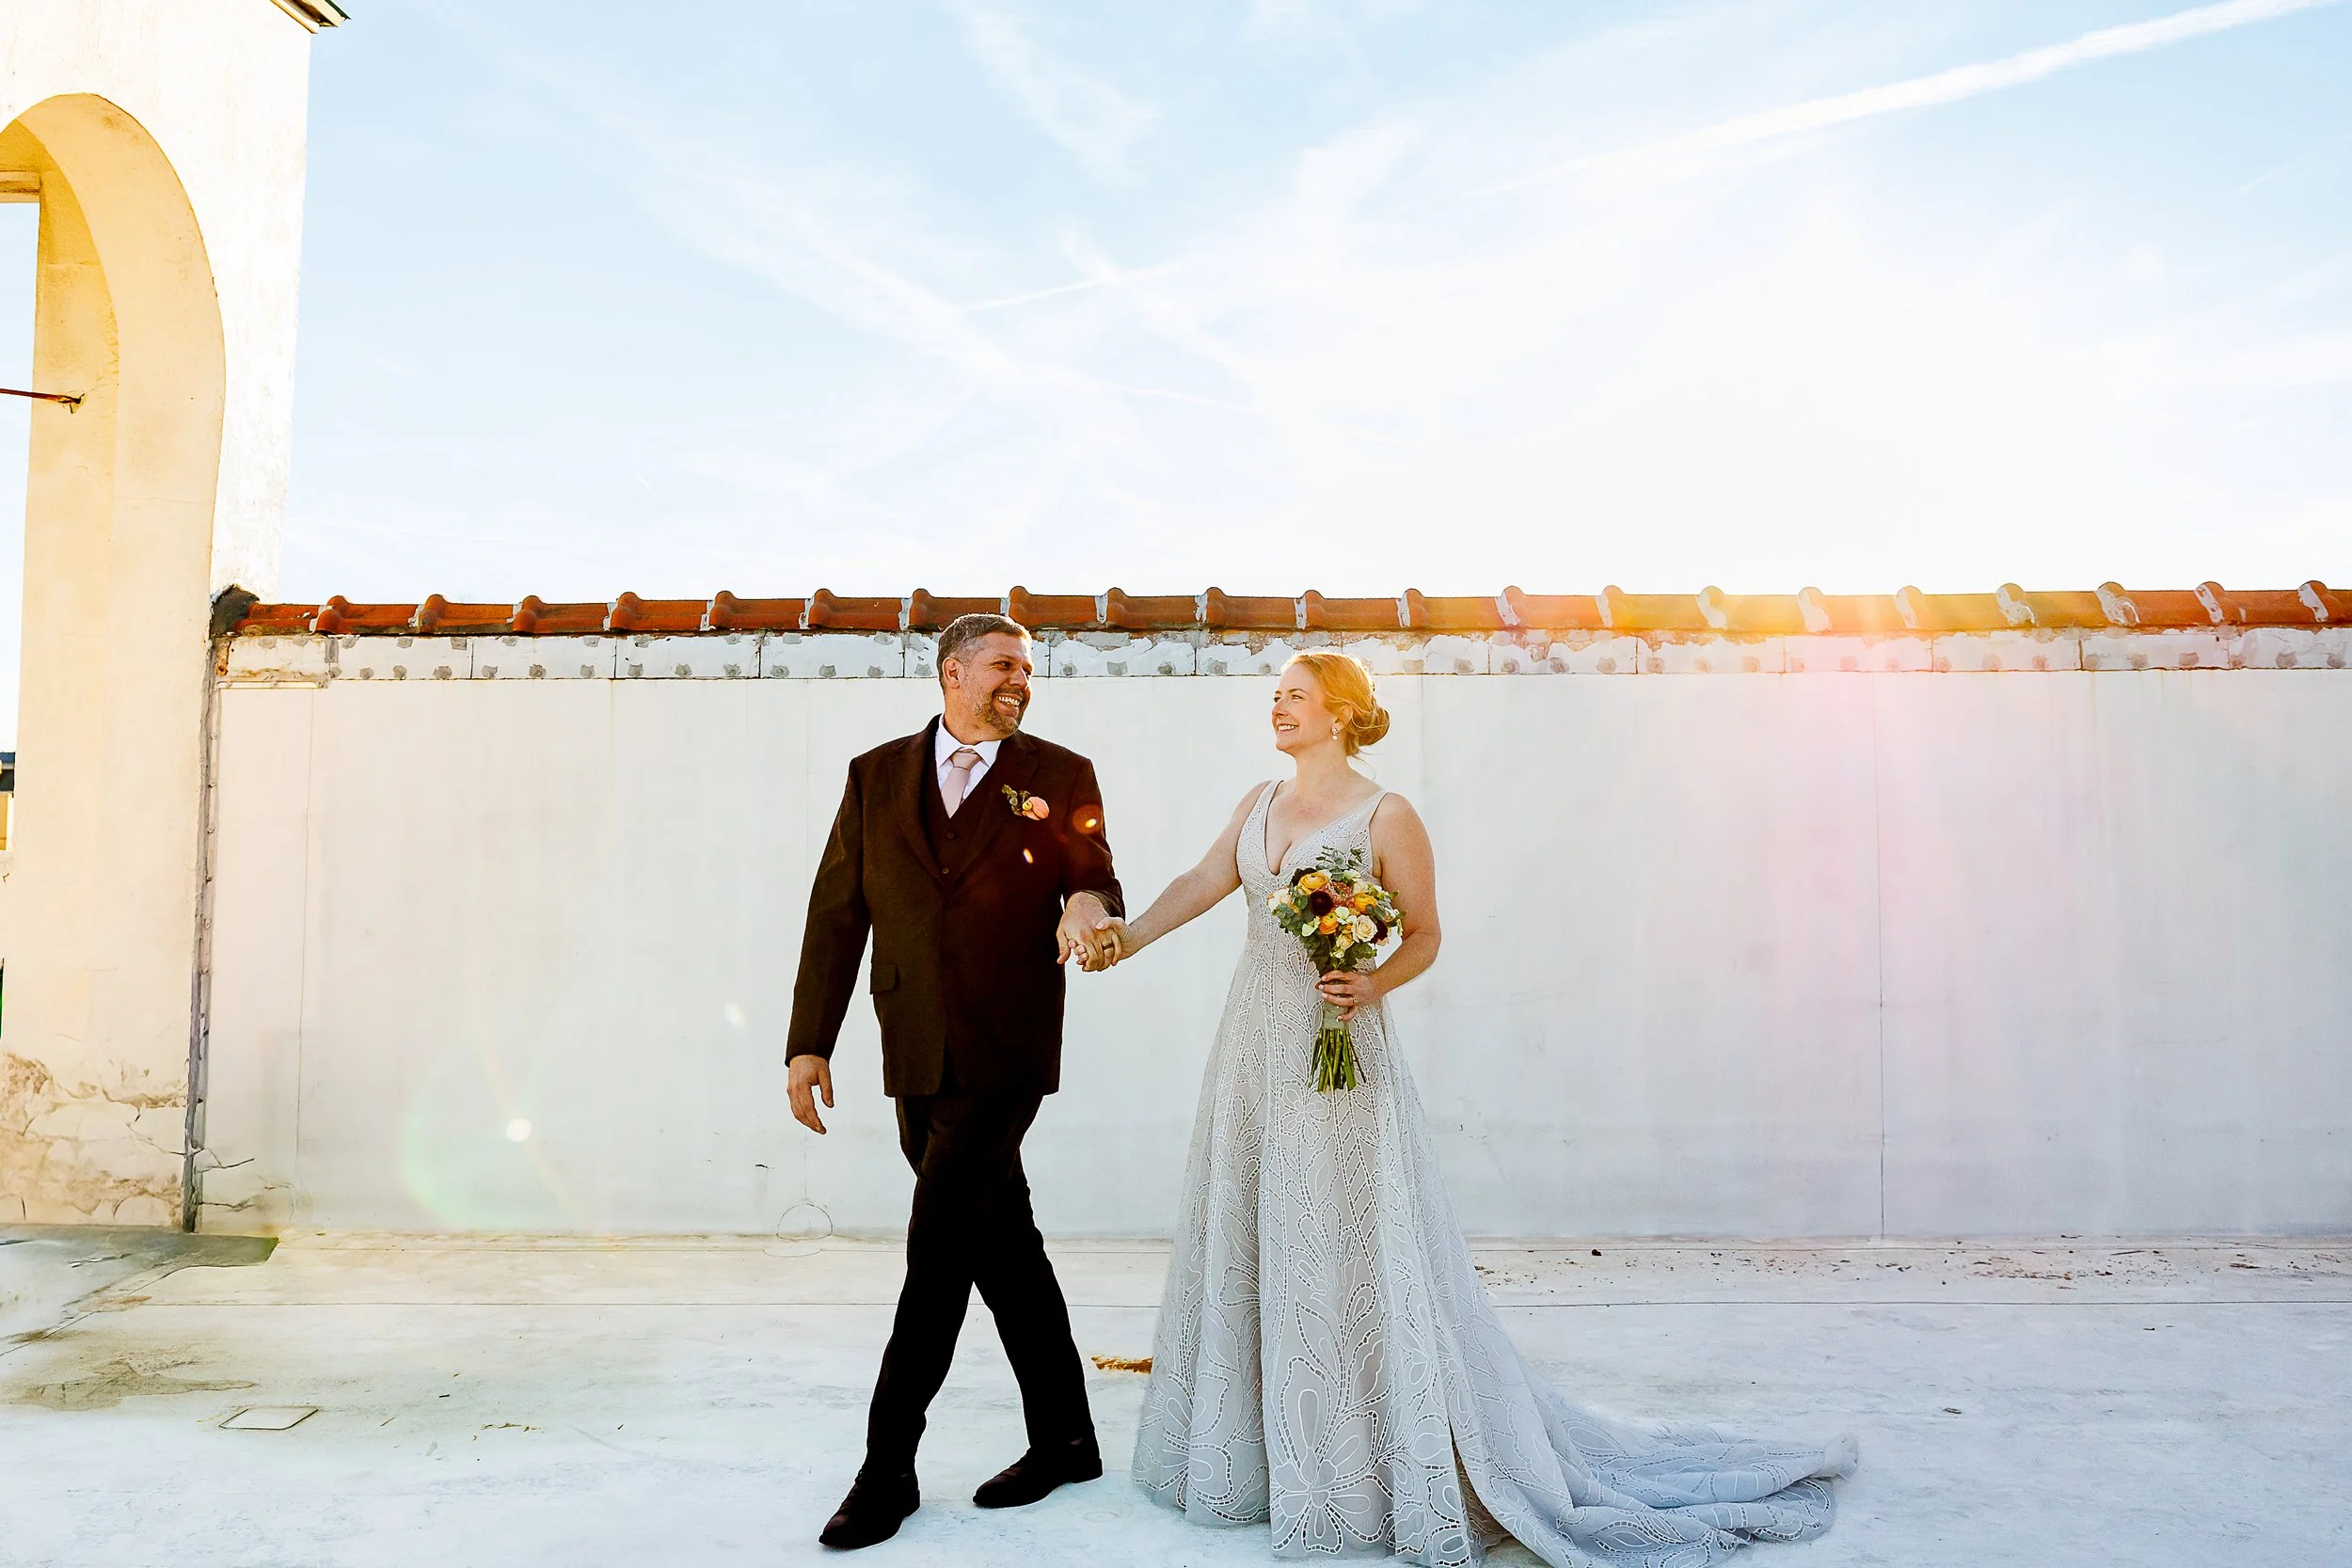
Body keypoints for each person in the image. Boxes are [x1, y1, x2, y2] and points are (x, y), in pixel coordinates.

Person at [1096, 650, 1856, 1567]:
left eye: (1294, 696)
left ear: (1339, 711)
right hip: (1254, 1049)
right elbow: (1199, 881)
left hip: (1337, 1055)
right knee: (1267, 1236)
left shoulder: (1386, 814)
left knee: (1344, 1243)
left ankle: (1364, 1464)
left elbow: (1423, 932)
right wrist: (1124, 937)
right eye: (1275, 697)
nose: (1279, 708)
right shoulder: (1258, 801)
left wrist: (1368, 980)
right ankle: (1272, 1456)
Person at [784, 613, 1123, 1550]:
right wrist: (810, 1041)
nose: (1021, 680)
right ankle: (1067, 1438)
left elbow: (1093, 875)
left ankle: (885, 1466)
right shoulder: (873, 773)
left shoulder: (1058, 772)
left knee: (935, 1253)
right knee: (1002, 1245)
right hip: (912, 1046)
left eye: (1029, 668)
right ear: (952, 671)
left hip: (1007, 1045)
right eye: (1005, 665)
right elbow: (838, 912)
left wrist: (1086, 907)